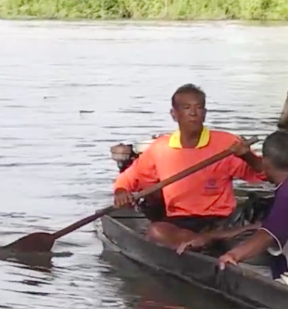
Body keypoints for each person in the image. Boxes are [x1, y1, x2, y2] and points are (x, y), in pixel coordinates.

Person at [179, 130, 288, 290]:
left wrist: (232, 255)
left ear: (266, 163)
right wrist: (210, 237)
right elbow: (262, 227)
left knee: (231, 270)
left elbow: (267, 236)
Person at [113, 84, 265, 249]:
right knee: (157, 231)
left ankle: (206, 241)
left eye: (199, 108)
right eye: (186, 108)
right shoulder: (160, 148)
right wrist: (121, 192)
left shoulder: (227, 143)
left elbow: (264, 174)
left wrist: (247, 155)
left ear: (205, 113)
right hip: (181, 222)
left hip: (222, 220)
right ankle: (203, 241)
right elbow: (128, 179)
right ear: (174, 114)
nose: (193, 113)